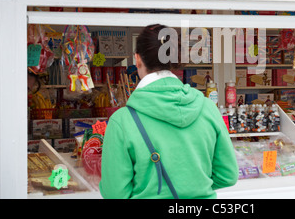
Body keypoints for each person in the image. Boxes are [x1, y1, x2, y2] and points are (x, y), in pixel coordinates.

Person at [99, 24, 239, 199]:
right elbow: (228, 176)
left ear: (138, 59)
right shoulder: (208, 108)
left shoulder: (122, 121)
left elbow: (115, 194)